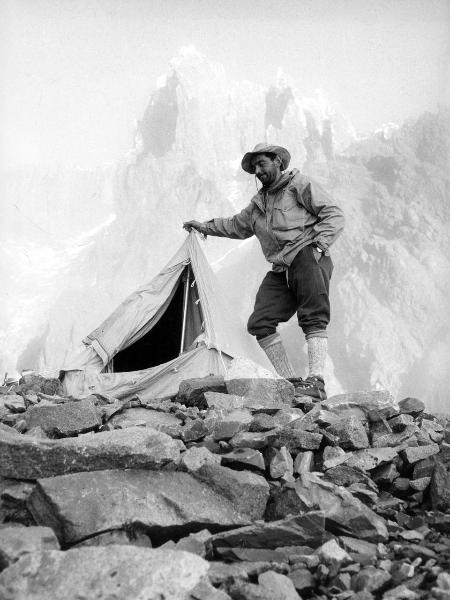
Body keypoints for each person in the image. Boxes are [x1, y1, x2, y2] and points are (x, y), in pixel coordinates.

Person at [183, 142, 344, 399]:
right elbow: (236, 225)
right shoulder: (259, 204)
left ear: (278, 161)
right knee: (260, 322)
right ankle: (290, 382)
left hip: (306, 256)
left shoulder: (299, 185)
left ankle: (316, 381)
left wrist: (319, 247)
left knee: (313, 316)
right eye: (254, 167)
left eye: (262, 164)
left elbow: (334, 214)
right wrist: (204, 227)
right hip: (281, 268)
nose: (258, 171)